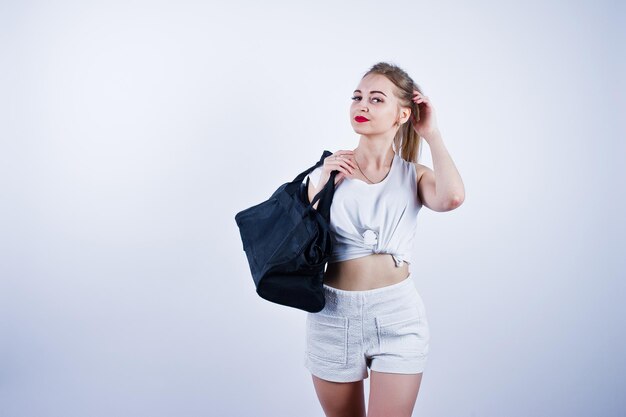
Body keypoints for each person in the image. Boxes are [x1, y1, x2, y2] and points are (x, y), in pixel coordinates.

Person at [302, 62, 465, 417]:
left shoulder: (413, 174)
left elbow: (451, 198)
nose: (362, 106)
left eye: (377, 99)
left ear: (402, 114)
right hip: (333, 316)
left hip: (397, 316)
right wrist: (321, 182)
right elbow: (299, 233)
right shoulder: (330, 169)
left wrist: (432, 135)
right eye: (357, 97)